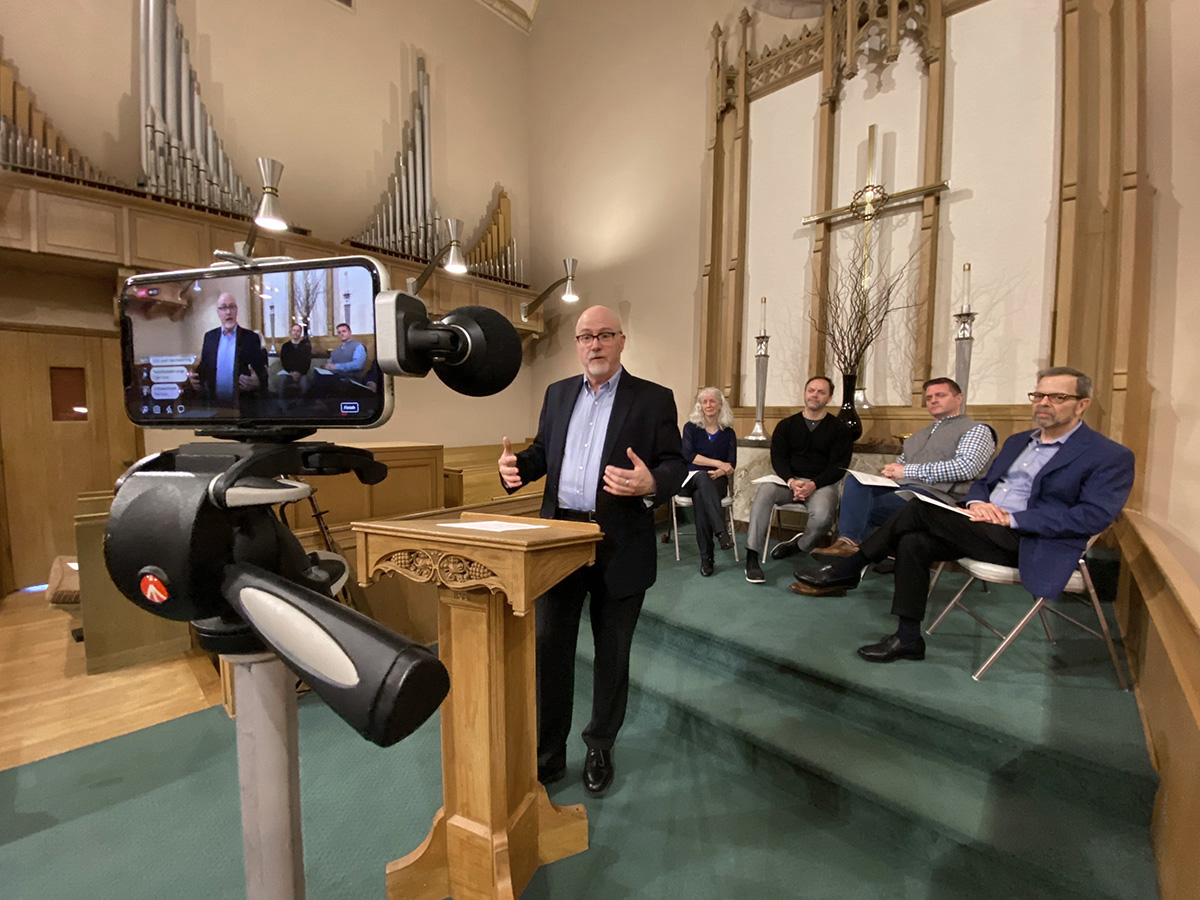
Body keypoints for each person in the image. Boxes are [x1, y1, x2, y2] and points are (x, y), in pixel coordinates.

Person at [792, 367, 1135, 664]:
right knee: (913, 541)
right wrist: (976, 504)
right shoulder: (1019, 442)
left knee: (919, 509)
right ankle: (908, 637)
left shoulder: (1108, 455)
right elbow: (982, 484)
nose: (1044, 403)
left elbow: (1092, 517)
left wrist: (1012, 519)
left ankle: (850, 567)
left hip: (1029, 539)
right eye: (1038, 395)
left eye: (1057, 397)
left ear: (1082, 404)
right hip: (981, 525)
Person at [497, 305, 685, 798]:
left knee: (611, 654)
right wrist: (516, 466)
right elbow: (543, 453)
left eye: (604, 335)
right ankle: (548, 755)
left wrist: (651, 484)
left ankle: (600, 743)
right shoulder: (558, 394)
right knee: (550, 650)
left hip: (619, 542)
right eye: (585, 337)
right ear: (577, 345)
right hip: (558, 542)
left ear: (622, 341)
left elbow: (675, 465)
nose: (594, 345)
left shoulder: (653, 399)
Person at [813, 377, 996, 558]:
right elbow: (901, 465)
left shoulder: (976, 430)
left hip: (940, 500)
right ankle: (848, 547)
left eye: (940, 395)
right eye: (929, 397)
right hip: (906, 492)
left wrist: (905, 471)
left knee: (861, 511)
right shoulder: (918, 436)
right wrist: (889, 473)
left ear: (959, 398)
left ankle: (849, 559)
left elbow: (965, 468)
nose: (933, 400)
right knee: (856, 484)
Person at [743, 375, 854, 585]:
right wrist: (791, 481)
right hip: (789, 483)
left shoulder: (839, 429)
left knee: (822, 517)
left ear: (829, 398)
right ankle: (752, 556)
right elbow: (778, 458)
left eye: (821, 392)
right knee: (765, 491)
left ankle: (800, 545)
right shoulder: (786, 426)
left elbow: (838, 466)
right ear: (805, 393)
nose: (815, 395)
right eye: (811, 390)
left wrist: (813, 484)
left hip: (821, 484)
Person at [679, 387, 738, 576]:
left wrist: (722, 470)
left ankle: (706, 558)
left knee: (700, 498)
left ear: (720, 404)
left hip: (716, 481)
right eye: (704, 402)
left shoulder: (728, 433)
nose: (708, 405)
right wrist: (718, 464)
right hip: (690, 480)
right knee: (701, 478)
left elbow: (732, 465)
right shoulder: (691, 428)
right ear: (700, 406)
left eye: (712, 401)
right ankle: (721, 532)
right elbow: (688, 455)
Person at [188, 292, 268, 411]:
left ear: (236, 310)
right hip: (214, 407)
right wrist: (193, 379)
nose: (228, 312)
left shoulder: (251, 338)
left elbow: (262, 373)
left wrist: (257, 383)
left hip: (243, 407)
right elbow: (204, 367)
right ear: (218, 312)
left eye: (231, 307)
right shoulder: (209, 337)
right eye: (223, 308)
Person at [275, 323, 312, 398]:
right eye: (294, 330)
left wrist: (299, 373)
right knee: (282, 382)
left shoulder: (305, 347)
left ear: (300, 333)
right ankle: (282, 406)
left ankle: (301, 406)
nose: (295, 332)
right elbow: (284, 361)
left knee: (305, 385)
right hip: (288, 373)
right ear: (291, 332)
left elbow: (307, 362)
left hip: (301, 374)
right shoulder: (286, 346)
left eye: (298, 331)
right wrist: (291, 373)